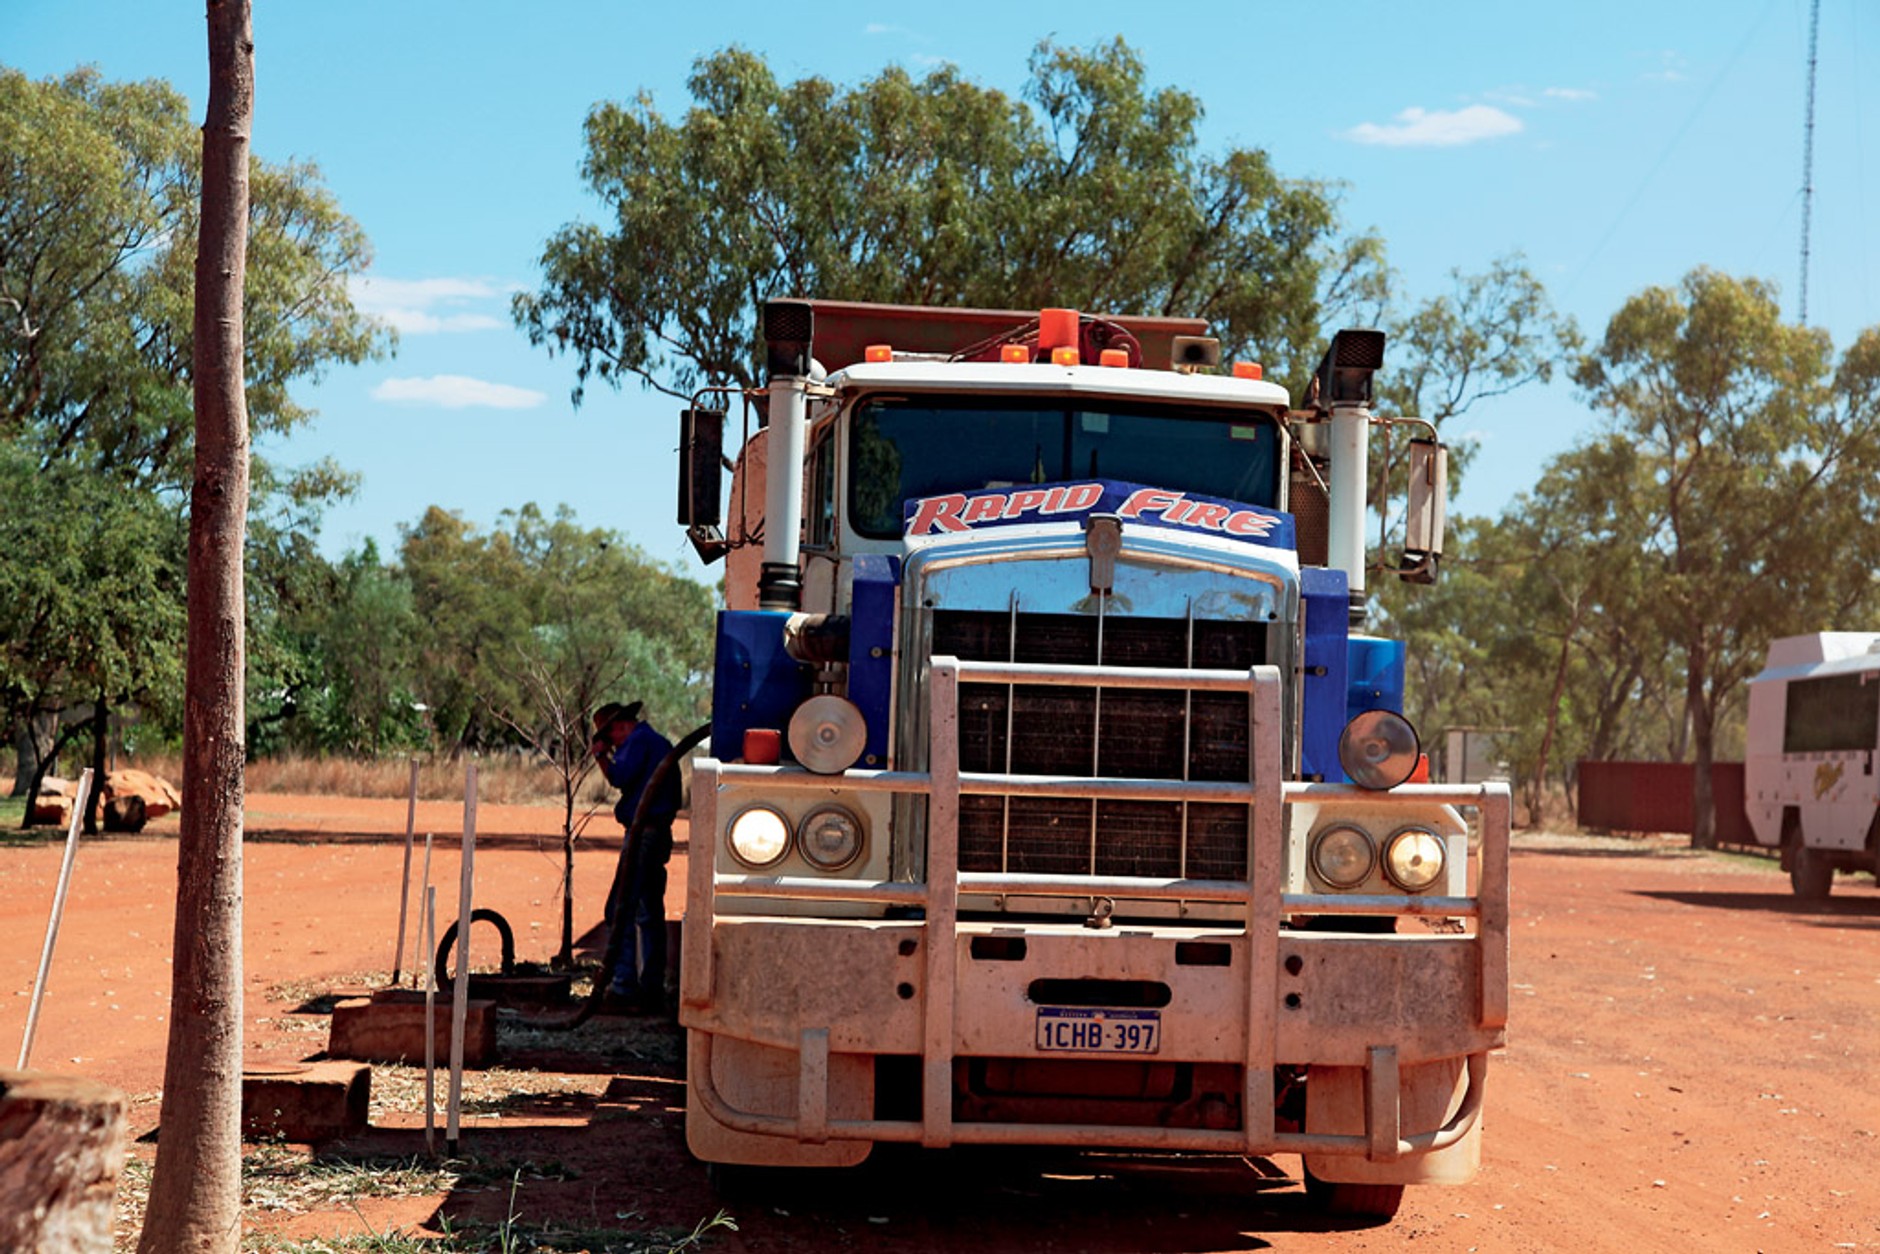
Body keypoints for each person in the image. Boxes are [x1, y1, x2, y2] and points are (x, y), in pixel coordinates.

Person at [591, 700, 682, 1012]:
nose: (613, 743)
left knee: (619, 909)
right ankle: (651, 987)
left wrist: (602, 757)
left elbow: (620, 777)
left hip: (643, 834)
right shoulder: (660, 743)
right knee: (649, 911)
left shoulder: (639, 742)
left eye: (611, 736)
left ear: (619, 727)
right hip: (658, 833)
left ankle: (623, 987)